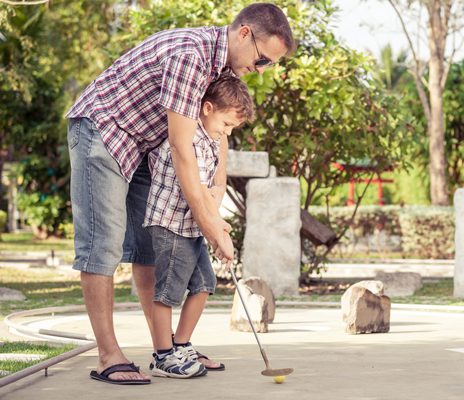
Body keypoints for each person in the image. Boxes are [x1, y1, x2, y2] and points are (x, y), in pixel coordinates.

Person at [66, 2, 295, 384]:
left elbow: (216, 139)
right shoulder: (191, 55)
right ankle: (109, 355)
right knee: (101, 243)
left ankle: (166, 350)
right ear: (244, 34)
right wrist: (207, 223)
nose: (260, 70)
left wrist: (215, 210)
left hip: (143, 145)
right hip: (103, 130)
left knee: (147, 248)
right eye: (262, 60)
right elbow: (181, 145)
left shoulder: (220, 66)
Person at [144, 75, 254, 378]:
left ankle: (181, 345)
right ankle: (162, 355)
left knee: (204, 284)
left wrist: (215, 225)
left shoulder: (212, 140)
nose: (227, 132)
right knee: (167, 292)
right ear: (207, 108)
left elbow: (212, 187)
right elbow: (195, 190)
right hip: (171, 224)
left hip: (191, 226)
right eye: (226, 124)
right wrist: (218, 229)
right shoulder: (188, 139)